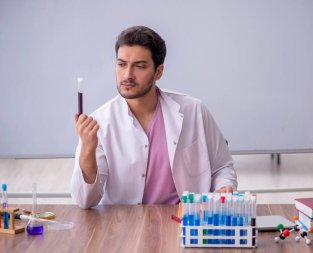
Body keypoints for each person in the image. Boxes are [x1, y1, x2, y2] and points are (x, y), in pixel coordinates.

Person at [71, 26, 237, 209]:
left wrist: (224, 187)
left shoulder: (193, 110)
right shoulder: (99, 122)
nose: (127, 75)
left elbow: (222, 167)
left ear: (158, 72)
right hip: (125, 228)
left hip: (185, 224)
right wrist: (87, 149)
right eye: (121, 64)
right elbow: (85, 201)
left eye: (139, 66)